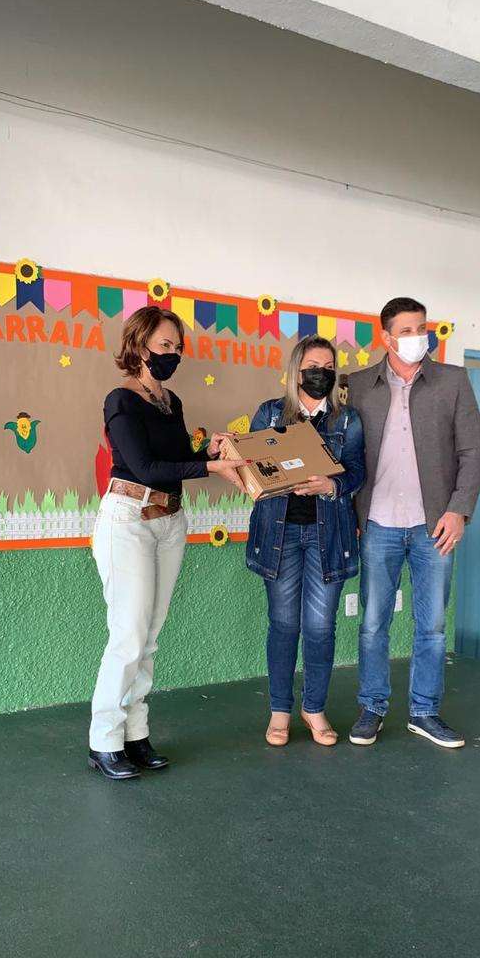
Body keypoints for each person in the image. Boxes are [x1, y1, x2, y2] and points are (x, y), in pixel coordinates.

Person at [89, 306, 243, 780]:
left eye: (177, 347)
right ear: (138, 345)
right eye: (164, 345)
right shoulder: (121, 400)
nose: (173, 353)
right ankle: (104, 740)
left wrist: (208, 451)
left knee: (149, 638)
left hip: (170, 521)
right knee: (128, 636)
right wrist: (211, 467)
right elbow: (144, 467)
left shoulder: (170, 401)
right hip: (128, 520)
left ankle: (135, 735)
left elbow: (177, 459)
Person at [348, 297, 480, 749]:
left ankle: (424, 712)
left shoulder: (453, 381)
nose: (416, 338)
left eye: (421, 328)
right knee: (373, 624)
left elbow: (472, 452)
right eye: (406, 331)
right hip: (378, 524)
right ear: (386, 337)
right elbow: (344, 453)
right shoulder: (360, 385)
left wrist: (459, 509)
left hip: (435, 526)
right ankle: (372, 707)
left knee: (432, 627)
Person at [247, 335, 365, 747]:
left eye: (329, 367)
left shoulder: (347, 420)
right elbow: (252, 466)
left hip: (327, 535)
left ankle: (314, 708)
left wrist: (331, 486)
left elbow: (357, 471)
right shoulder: (270, 413)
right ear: (296, 370)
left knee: (320, 627)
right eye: (313, 367)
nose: (321, 373)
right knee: (283, 624)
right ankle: (280, 710)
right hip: (279, 534)